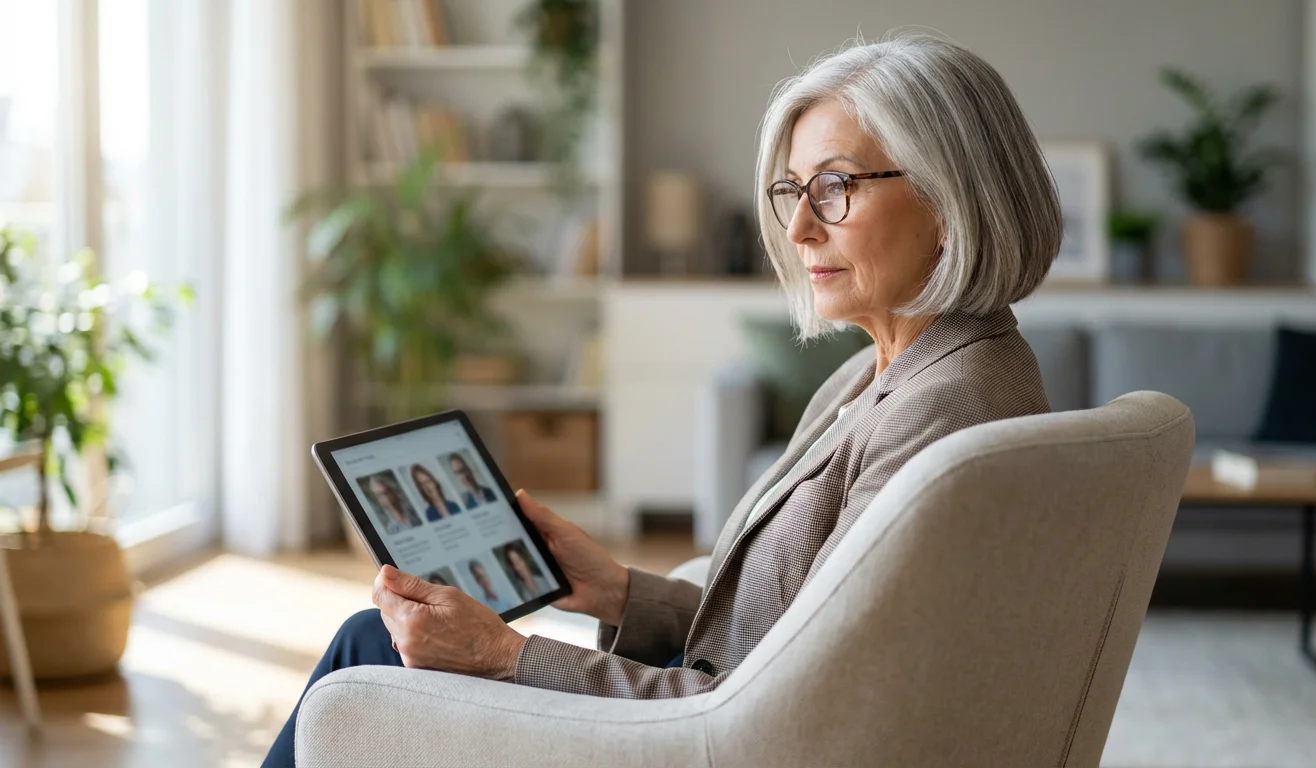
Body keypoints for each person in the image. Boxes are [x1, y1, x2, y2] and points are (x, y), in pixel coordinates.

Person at [265, 33, 1060, 764]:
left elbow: (768, 715)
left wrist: (501, 656)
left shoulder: (942, 414)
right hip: (734, 718)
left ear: (954, 201)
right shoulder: (897, 373)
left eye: (837, 186)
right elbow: (785, 639)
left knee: (369, 648)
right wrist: (615, 590)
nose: (799, 230)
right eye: (794, 191)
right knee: (379, 636)